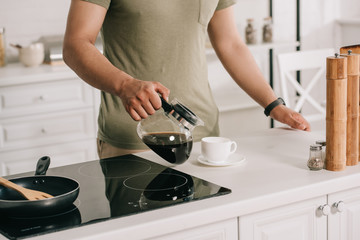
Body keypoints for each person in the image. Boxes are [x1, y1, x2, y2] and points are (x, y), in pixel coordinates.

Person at [63, 0, 310, 159]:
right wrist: (125, 84)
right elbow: (75, 44)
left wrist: (273, 105)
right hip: (137, 139)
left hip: (203, 135)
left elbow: (230, 44)